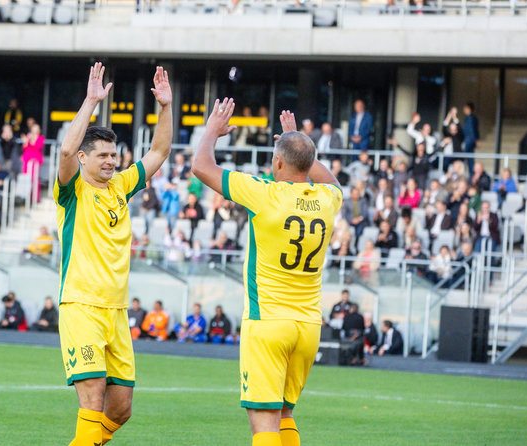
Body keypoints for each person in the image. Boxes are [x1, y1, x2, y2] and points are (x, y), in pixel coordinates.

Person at [192, 104, 342, 446]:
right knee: (285, 415)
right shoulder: (327, 199)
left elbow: (201, 166)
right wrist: (299, 142)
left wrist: (213, 130)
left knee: (263, 425)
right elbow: (331, 181)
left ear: (277, 163)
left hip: (269, 323)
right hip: (308, 327)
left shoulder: (264, 194)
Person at [54, 63, 172, 445]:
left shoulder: (121, 185)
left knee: (120, 409)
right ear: (85, 160)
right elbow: (67, 148)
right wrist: (90, 101)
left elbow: (159, 151)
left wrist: (166, 107)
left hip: (117, 311)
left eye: (113, 155)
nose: (110, 161)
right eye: (102, 155)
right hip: (82, 306)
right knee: (92, 397)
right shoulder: (72, 191)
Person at [21, 123, 45, 203]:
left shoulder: (41, 138)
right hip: (27, 160)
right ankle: (25, 197)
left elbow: (38, 147)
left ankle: (34, 197)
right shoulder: (28, 136)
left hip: (35, 161)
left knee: (34, 179)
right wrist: (25, 141)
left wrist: (30, 139)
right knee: (26, 179)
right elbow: (24, 147)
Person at [462, 102, 480, 174]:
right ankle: (471, 173)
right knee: (470, 159)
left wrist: (475, 139)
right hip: (470, 140)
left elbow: (472, 130)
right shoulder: (471, 118)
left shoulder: (470, 118)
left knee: (464, 157)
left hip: (469, 140)